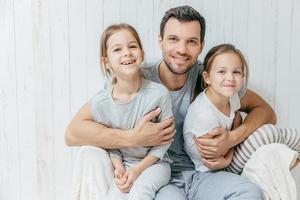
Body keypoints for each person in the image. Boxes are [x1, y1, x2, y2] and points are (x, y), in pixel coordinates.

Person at [66, 5, 276, 200]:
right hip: (156, 174)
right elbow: (73, 133)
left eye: (191, 41)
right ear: (160, 41)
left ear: (201, 45)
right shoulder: (134, 78)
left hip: (201, 175)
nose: (182, 49)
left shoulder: (211, 78)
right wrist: (132, 137)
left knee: (250, 192)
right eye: (173, 39)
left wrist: (231, 138)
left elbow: (265, 111)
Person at [83, 23, 173, 200]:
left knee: (140, 192)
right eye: (117, 49)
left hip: (156, 164)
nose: (127, 52)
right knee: (114, 196)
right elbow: (111, 143)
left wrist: (137, 170)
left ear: (142, 54)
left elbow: (163, 143)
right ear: (106, 62)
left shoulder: (159, 93)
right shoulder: (101, 104)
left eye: (132, 46)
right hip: (125, 164)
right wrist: (120, 169)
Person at [183, 43, 300, 175]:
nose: (230, 78)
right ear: (207, 77)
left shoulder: (231, 97)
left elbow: (265, 115)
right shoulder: (205, 115)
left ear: (243, 76)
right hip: (214, 169)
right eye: (222, 71)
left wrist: (235, 129)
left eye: (236, 72)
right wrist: (228, 157)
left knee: (274, 136)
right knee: (268, 133)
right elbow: (214, 158)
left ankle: (282, 167)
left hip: (228, 156)